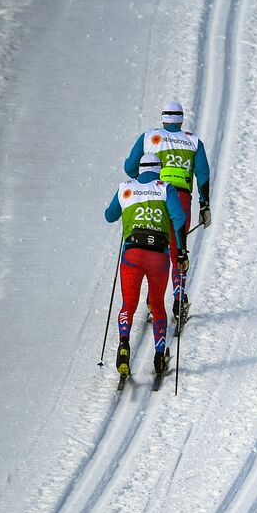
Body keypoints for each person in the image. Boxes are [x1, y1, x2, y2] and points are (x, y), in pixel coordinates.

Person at [124, 102, 213, 324]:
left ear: (163, 118)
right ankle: (179, 298)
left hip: (154, 196)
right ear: (181, 120)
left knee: (158, 249)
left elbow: (129, 167)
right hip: (180, 197)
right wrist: (204, 204)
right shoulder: (193, 141)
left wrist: (140, 182)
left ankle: (154, 303)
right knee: (177, 250)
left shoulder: (149, 137)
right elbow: (202, 174)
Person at [103, 151, 188, 379]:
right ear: (159, 169)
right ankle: (159, 356)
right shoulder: (165, 187)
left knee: (128, 304)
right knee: (158, 304)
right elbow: (178, 218)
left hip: (132, 253)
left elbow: (109, 216)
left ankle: (123, 343)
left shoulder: (125, 188)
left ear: (140, 169)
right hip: (158, 255)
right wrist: (180, 251)